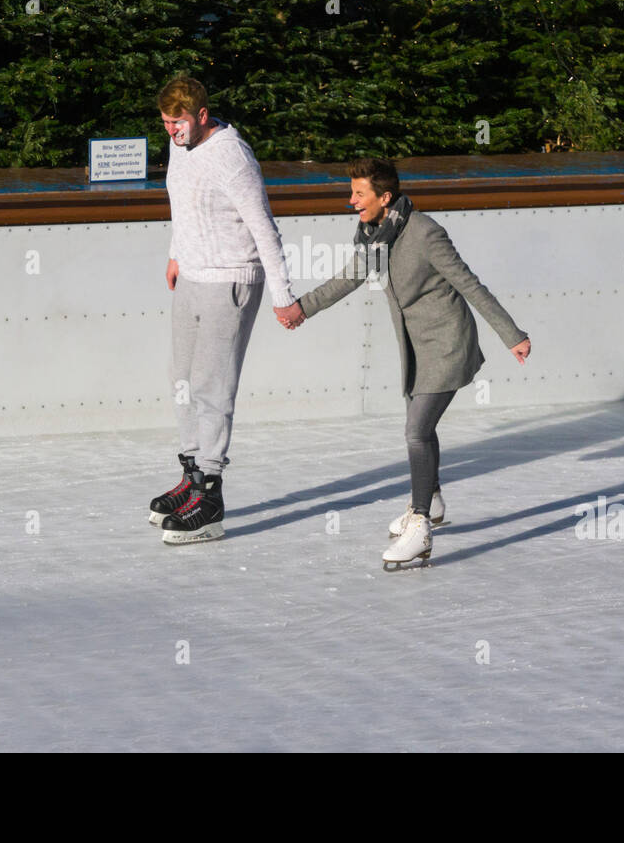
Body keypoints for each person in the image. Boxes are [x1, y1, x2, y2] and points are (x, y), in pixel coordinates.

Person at [282, 158, 531, 570]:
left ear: (384, 196)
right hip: (415, 347)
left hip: (447, 343)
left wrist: (512, 335)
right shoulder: (373, 235)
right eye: (352, 192)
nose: (352, 201)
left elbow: (469, 283)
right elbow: (350, 278)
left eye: (359, 194)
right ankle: (430, 501)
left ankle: (419, 526)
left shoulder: (426, 233)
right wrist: (301, 309)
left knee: (416, 430)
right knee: (423, 427)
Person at [149, 76, 304, 544]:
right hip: (193, 275)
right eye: (164, 123)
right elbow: (183, 204)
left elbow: (264, 228)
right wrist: (177, 252)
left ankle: (211, 496)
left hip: (232, 278)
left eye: (178, 123)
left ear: (201, 116)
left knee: (213, 386)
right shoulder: (182, 146)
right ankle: (192, 472)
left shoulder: (232, 156)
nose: (172, 132)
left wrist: (283, 296)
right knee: (182, 379)